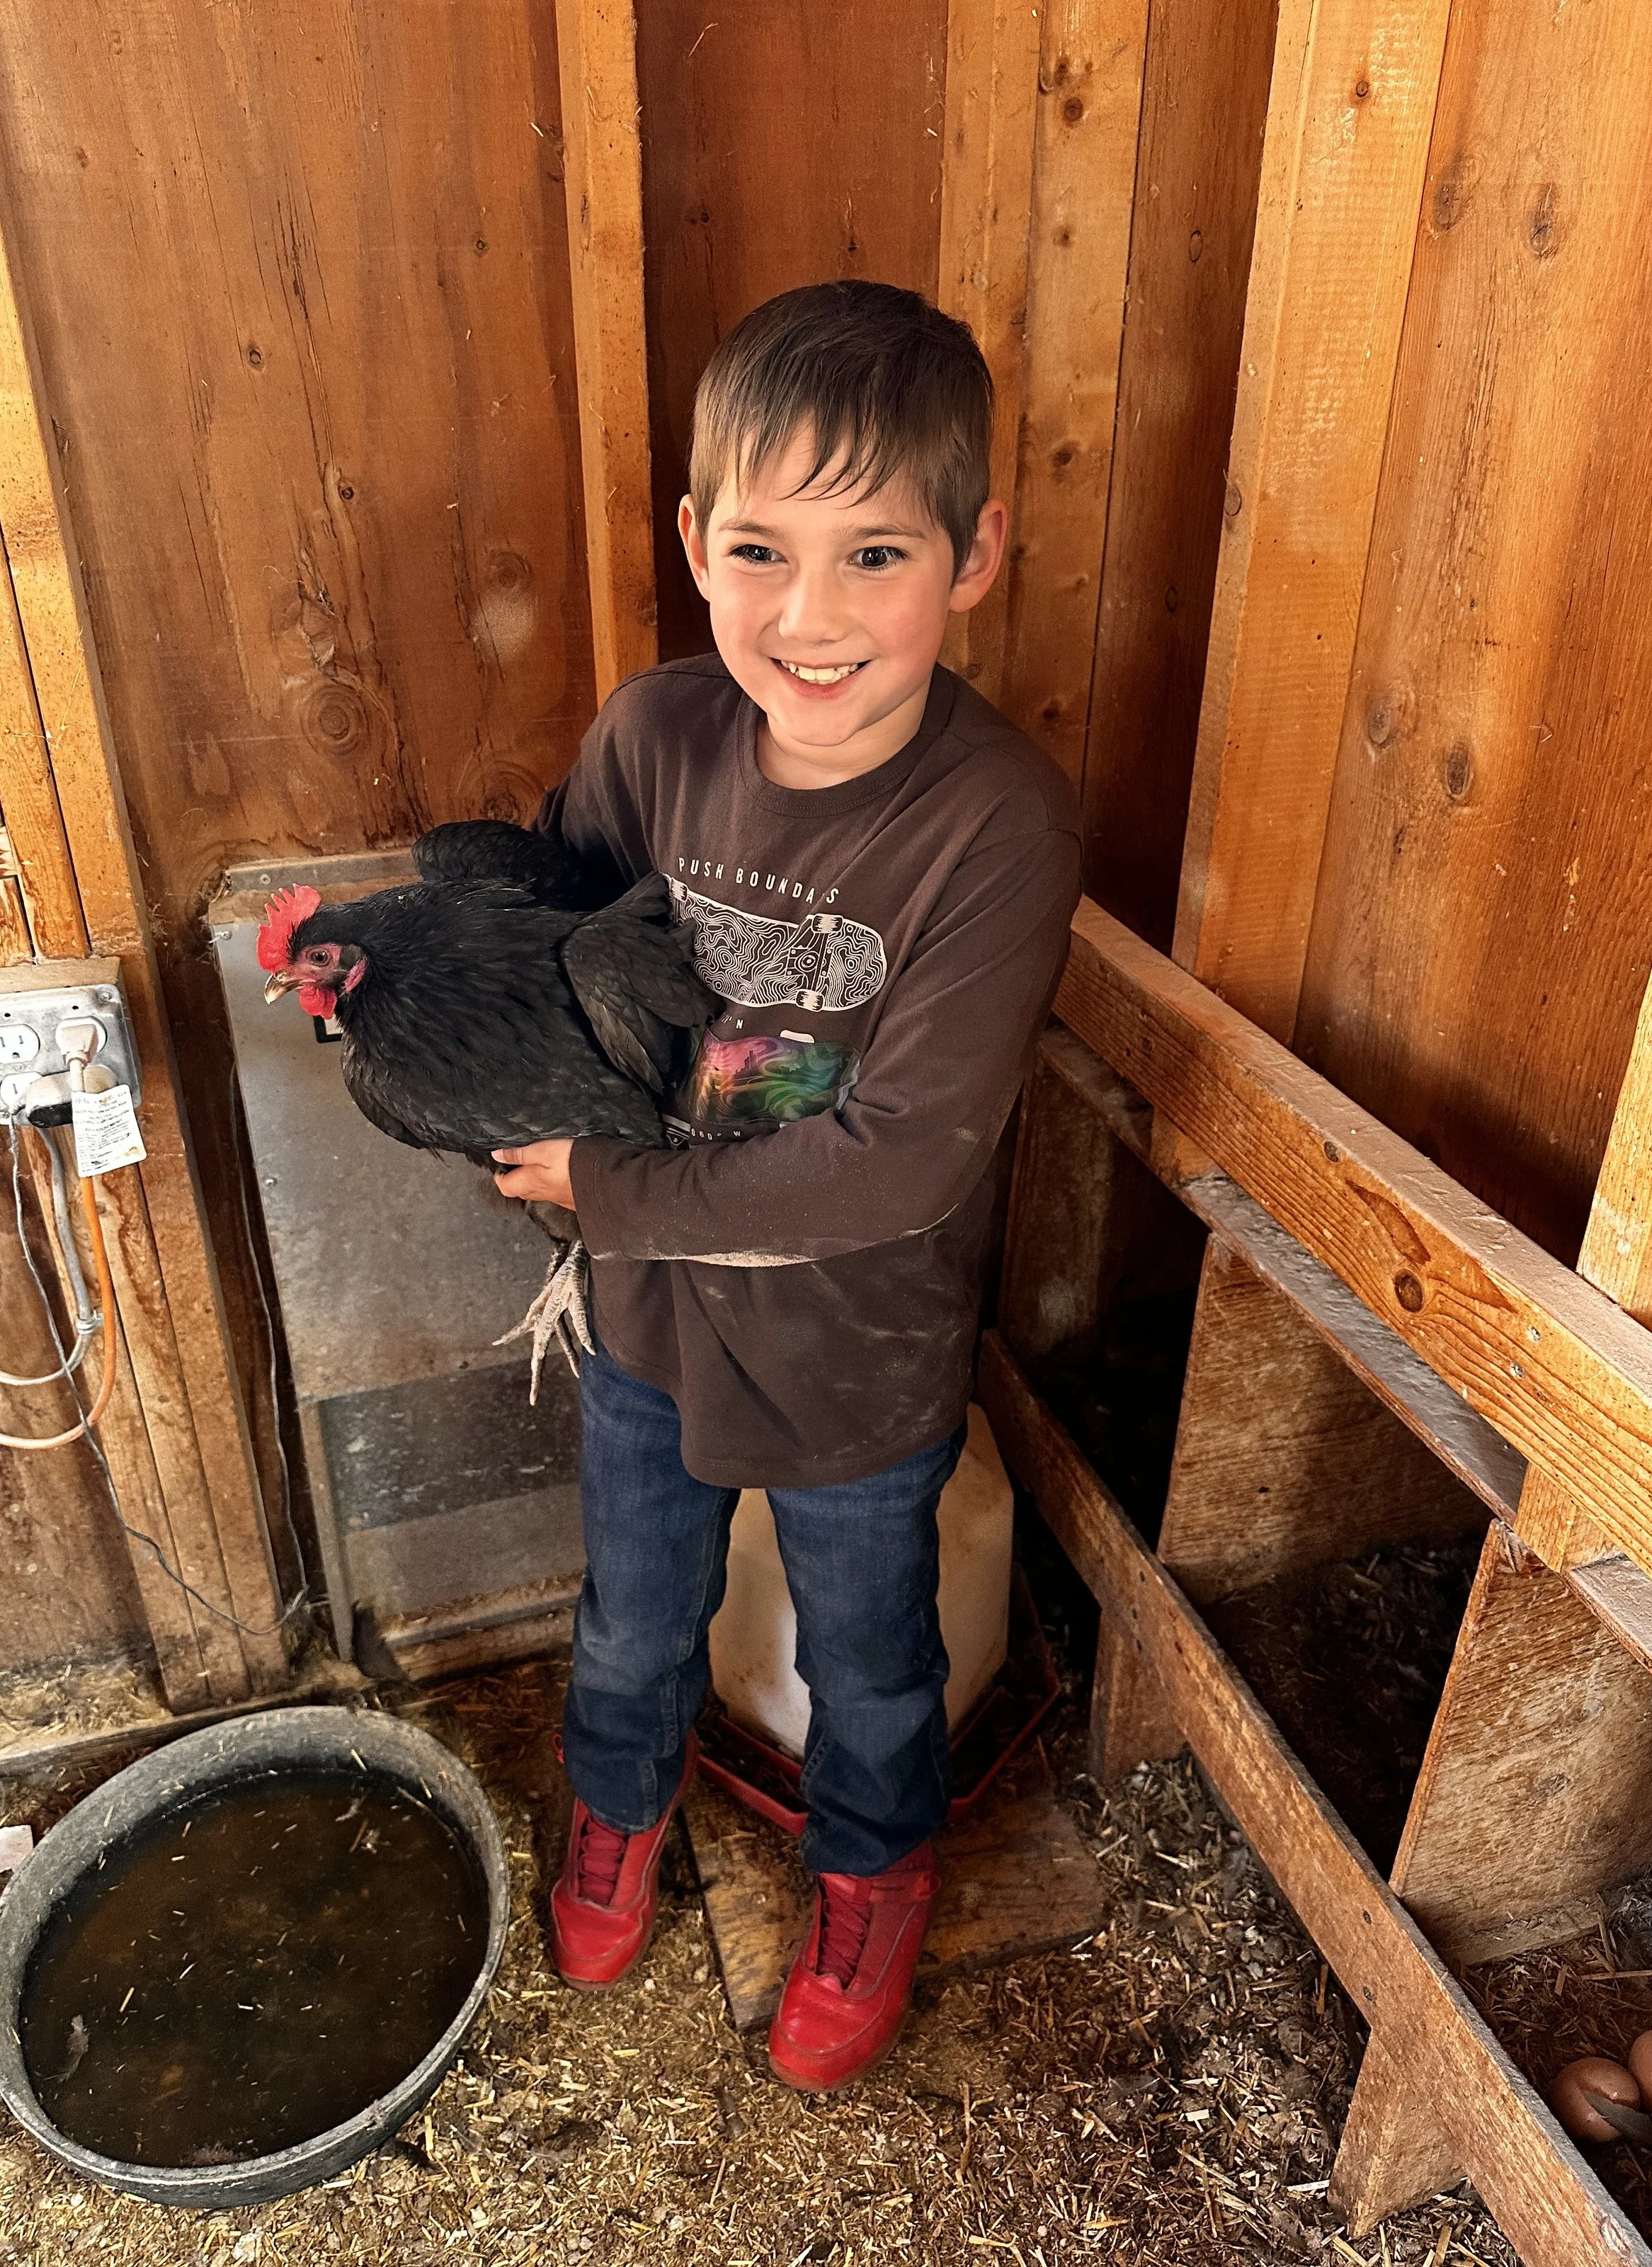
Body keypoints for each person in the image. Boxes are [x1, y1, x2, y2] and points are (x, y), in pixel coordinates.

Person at [491, 280, 1083, 2093]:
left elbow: (900, 1157)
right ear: (692, 540)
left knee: (871, 1651)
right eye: (757, 548)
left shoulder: (992, 821)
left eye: (874, 555)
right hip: (654, 1326)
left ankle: (869, 1876)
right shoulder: (654, 735)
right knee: (633, 1603)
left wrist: (598, 1184)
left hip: (854, 1339)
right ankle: (617, 1810)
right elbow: (544, 947)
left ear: (975, 555)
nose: (806, 619)